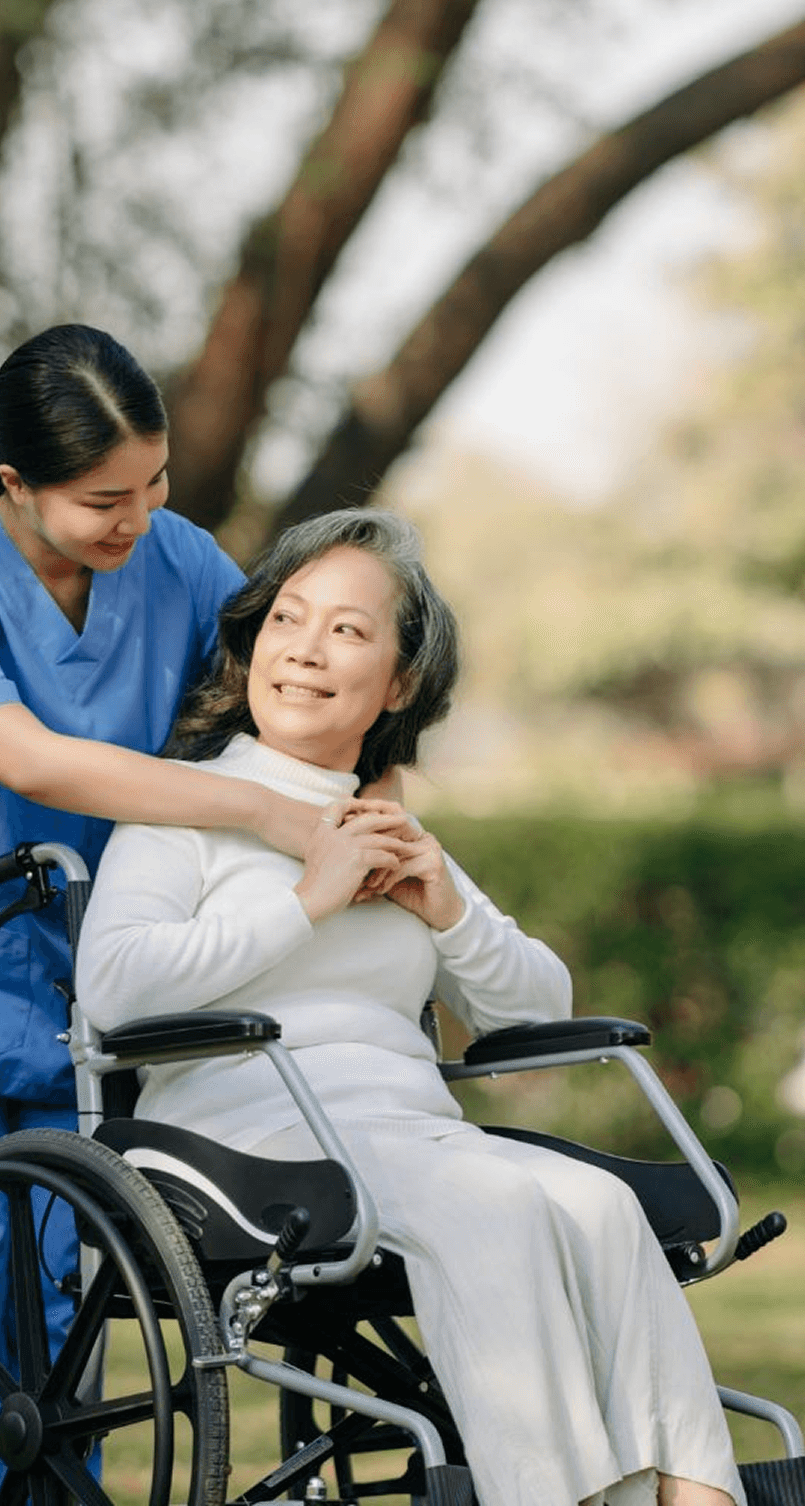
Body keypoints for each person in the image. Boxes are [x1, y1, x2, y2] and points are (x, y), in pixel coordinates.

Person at [0, 326, 408, 1489]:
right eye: (103, 498)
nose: (138, 517)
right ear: (16, 485)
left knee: (56, 1308)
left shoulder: (177, 561)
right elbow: (27, 758)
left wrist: (372, 799)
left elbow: (288, 702)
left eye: (155, 482)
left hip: (81, 978)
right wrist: (272, 824)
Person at [81, 508, 746, 1506]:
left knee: (600, 1205)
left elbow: (533, 1016)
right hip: (239, 1141)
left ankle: (693, 1495)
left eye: (347, 630)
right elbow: (116, 987)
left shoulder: (393, 830)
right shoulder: (185, 806)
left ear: (396, 683)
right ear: (253, 640)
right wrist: (308, 899)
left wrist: (446, 906)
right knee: (490, 1201)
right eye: (287, 620)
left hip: (406, 1134)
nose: (304, 650)